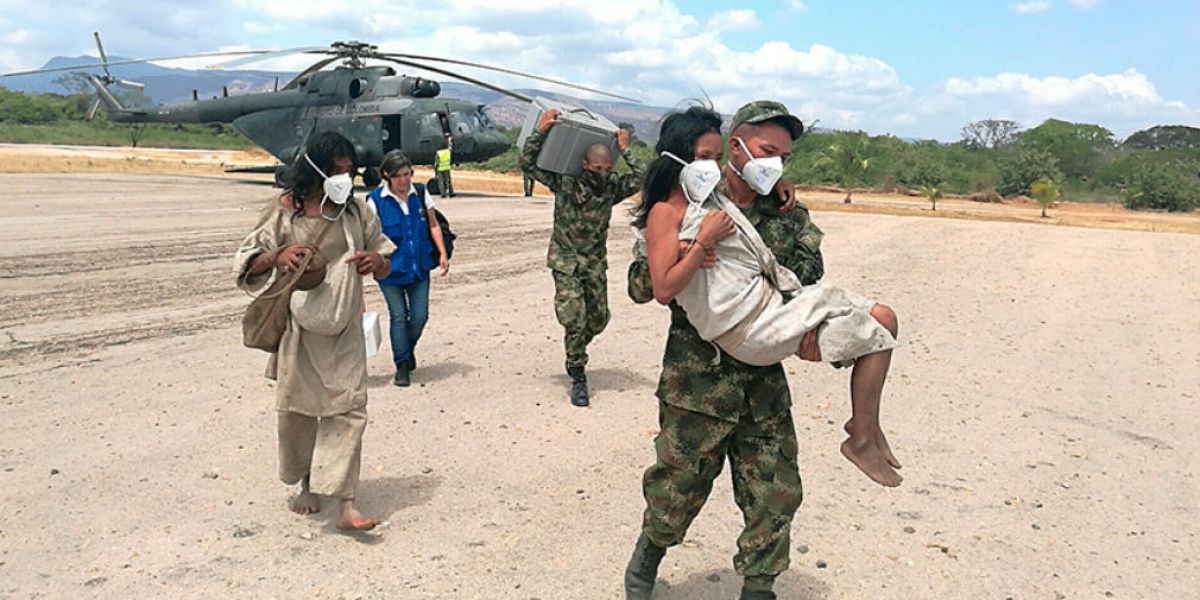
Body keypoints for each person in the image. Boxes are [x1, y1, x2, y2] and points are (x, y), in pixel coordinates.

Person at [622, 102, 832, 600]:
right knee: (677, 487)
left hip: (762, 382)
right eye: (767, 150)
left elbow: (808, 277)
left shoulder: (789, 214)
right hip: (697, 381)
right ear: (735, 147)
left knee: (775, 492)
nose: (776, 163)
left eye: (784, 155)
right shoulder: (689, 204)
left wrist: (803, 327)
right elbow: (642, 283)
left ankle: (759, 587)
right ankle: (648, 557)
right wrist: (692, 256)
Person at [234, 131, 394, 532]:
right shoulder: (285, 210)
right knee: (299, 413)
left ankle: (346, 504)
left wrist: (376, 261)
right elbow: (246, 261)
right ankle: (306, 484)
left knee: (349, 410)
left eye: (349, 171)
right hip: (298, 331)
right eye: (337, 171)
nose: (345, 178)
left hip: (344, 327)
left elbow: (386, 258)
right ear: (316, 169)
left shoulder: (357, 212)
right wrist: (277, 255)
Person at [519, 109, 643, 407]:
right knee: (575, 318)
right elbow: (526, 163)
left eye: (606, 168)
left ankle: (575, 346)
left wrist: (625, 149)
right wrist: (542, 130)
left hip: (594, 264)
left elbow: (643, 177)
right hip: (565, 261)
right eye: (595, 167)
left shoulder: (611, 188)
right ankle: (577, 373)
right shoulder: (566, 183)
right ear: (585, 164)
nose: (600, 172)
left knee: (598, 320)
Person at [366, 150, 451, 387]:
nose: (404, 181)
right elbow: (370, 235)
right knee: (399, 317)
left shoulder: (421, 194)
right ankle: (402, 364)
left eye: (407, 174)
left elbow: (433, 225)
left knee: (420, 316)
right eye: (398, 176)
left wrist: (442, 253)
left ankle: (407, 348)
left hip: (418, 266)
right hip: (390, 270)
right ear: (387, 175)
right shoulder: (375, 201)